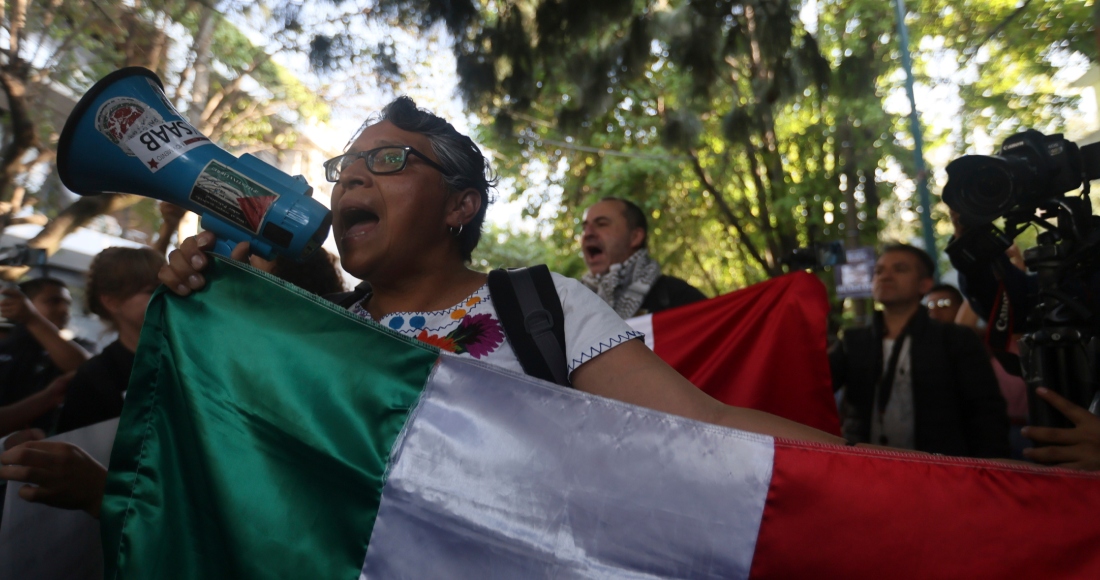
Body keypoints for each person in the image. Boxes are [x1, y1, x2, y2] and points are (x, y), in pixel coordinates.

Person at [0, 97, 888, 517]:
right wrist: (109, 489)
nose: (351, 175)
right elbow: (260, 504)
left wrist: (916, 480)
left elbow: (708, 424)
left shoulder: (541, 305)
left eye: (387, 163)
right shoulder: (308, 332)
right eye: (343, 166)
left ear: (461, 205)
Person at [831, 243, 1011, 457]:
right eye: (879, 271)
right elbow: (814, 386)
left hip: (940, 473)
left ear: (925, 284)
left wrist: (986, 473)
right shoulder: (853, 342)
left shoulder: (955, 340)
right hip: (865, 468)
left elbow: (986, 414)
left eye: (900, 269)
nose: (885, 276)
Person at [580, 197, 706, 318]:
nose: (588, 233)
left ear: (635, 237)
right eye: (584, 228)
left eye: (601, 224)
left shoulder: (677, 296)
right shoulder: (571, 304)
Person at [0, 277, 92, 431]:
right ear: (24, 302)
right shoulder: (6, 345)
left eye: (67, 303)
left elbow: (88, 371)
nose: (64, 310)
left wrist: (32, 319)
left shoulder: (79, 346)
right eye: (53, 301)